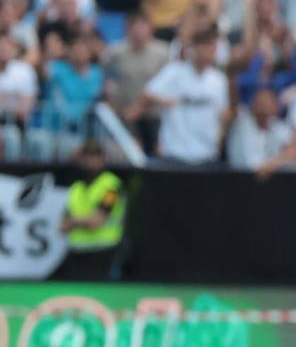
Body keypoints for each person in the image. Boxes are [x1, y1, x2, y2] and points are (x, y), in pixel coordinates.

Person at [142, 30, 231, 165]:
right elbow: (148, 93)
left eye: (212, 47)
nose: (208, 52)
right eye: (204, 46)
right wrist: (164, 101)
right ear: (194, 48)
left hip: (207, 155)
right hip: (175, 154)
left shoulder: (219, 80)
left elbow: (223, 115)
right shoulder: (175, 72)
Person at [57, 139, 125, 280]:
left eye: (95, 156)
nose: (91, 160)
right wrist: (83, 221)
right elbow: (62, 226)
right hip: (77, 252)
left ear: (102, 158)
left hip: (102, 252)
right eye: (87, 156)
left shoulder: (111, 185)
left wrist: (74, 221)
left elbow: (97, 221)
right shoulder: (76, 188)